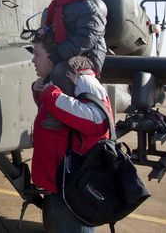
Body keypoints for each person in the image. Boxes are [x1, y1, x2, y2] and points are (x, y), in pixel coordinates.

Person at [30, 33, 113, 233]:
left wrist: (52, 95)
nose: (33, 60)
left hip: (73, 192)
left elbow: (98, 122)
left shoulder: (84, 81)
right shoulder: (59, 81)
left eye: (36, 54)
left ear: (53, 57)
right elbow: (58, 119)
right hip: (58, 188)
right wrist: (39, 91)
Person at [41, 0, 107, 76]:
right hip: (66, 52)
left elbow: (85, 40)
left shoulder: (89, 9)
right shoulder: (60, 6)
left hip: (87, 56)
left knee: (64, 70)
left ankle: (66, 93)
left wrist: (57, 54)